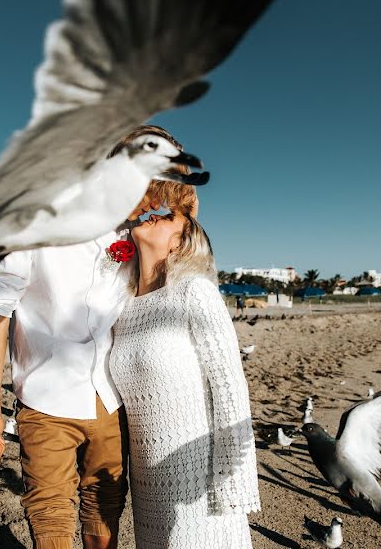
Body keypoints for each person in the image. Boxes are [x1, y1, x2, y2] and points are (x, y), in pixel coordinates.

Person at [0, 125, 197, 549]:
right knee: (49, 512)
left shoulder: (139, 234)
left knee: (106, 505)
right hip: (44, 398)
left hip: (112, 400)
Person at [109, 206, 260, 548]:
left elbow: (231, 388)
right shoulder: (122, 304)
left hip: (197, 479)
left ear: (180, 244)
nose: (156, 215)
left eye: (168, 218)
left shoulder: (194, 292)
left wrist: (233, 485)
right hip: (147, 483)